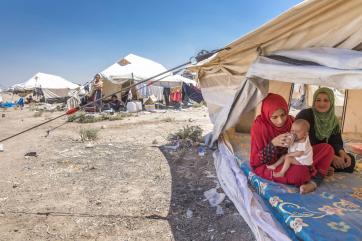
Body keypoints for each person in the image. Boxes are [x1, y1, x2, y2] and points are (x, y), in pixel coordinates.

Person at [250, 93, 334, 194]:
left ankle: (313, 180)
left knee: (327, 149)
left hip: (294, 158)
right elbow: (255, 162)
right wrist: (273, 144)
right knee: (300, 173)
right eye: (274, 117)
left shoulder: (291, 121)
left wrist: (297, 139)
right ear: (267, 115)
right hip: (274, 165)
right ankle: (317, 174)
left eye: (283, 115)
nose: (280, 121)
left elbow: (305, 145)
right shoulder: (259, 127)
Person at [296, 87, 355, 174]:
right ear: (314, 101)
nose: (321, 104)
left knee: (350, 160)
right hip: (308, 152)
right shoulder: (305, 115)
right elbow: (302, 142)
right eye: (318, 100)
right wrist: (331, 157)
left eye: (326, 100)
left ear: (331, 103)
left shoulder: (333, 120)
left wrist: (342, 153)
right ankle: (321, 168)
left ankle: (322, 167)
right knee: (303, 161)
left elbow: (336, 141)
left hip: (327, 153)